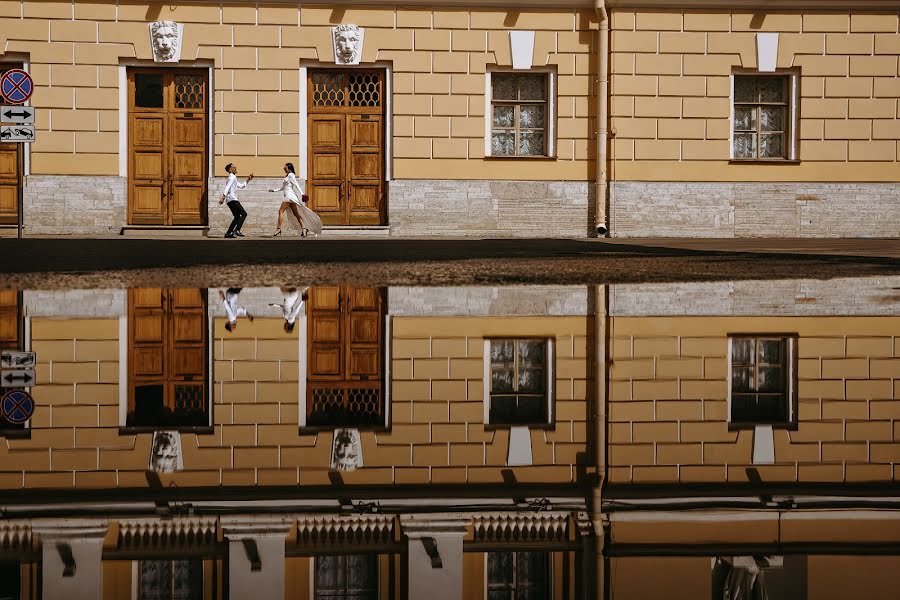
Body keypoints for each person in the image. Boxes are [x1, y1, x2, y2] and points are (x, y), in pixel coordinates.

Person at [268, 162, 323, 238]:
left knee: (280, 211)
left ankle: (278, 229)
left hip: (289, 197)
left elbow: (297, 185)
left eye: (285, 168)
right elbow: (283, 188)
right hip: (291, 197)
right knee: (296, 214)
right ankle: (304, 228)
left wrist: (302, 194)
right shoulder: (287, 176)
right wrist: (274, 190)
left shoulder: (291, 175)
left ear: (289, 168)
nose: (284, 169)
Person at [220, 163, 253, 238]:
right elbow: (227, 187)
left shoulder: (232, 177)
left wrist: (248, 179)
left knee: (237, 216)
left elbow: (241, 186)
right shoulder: (232, 177)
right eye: (234, 167)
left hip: (230, 200)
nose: (236, 168)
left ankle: (228, 233)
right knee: (244, 214)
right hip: (233, 199)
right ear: (230, 169)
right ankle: (237, 230)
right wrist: (223, 197)